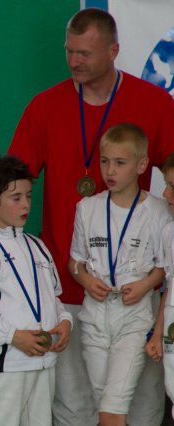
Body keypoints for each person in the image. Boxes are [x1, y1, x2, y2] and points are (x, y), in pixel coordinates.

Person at [0, 8, 174, 425]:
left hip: (136, 290)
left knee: (141, 406)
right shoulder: (44, 106)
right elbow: (12, 176)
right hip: (65, 285)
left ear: (114, 51)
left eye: (85, 53)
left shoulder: (155, 103)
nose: (74, 61)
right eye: (69, 51)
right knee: (73, 405)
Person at [0, 155, 72, 426]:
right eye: (16, 198)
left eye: (29, 196)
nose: (25, 205)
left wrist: (65, 321)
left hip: (44, 362)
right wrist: (13, 336)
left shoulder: (38, 246)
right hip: (7, 366)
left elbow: (54, 298)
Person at [69, 123, 170, 426]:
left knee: (114, 404)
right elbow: (75, 262)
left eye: (120, 162)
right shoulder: (87, 207)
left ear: (141, 164)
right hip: (95, 316)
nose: (110, 170)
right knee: (103, 400)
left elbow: (166, 265)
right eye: (105, 161)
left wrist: (146, 284)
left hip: (135, 315)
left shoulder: (158, 210)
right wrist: (86, 280)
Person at [146, 153, 174, 421]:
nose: (165, 194)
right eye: (166, 184)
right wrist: (157, 334)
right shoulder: (169, 233)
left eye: (173, 186)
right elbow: (170, 287)